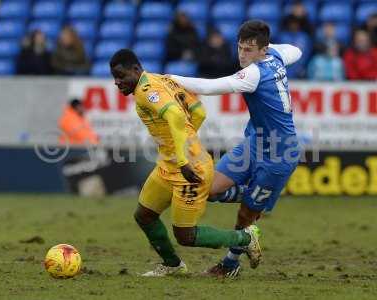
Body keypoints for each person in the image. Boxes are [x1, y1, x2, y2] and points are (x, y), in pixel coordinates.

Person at [109, 49, 261, 277]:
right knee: (144, 215)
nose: (117, 83)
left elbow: (177, 117)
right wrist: (186, 141)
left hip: (189, 168)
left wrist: (183, 158)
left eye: (121, 76)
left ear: (136, 69)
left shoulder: (144, 91)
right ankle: (173, 266)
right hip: (169, 165)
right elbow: (199, 112)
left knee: (185, 236)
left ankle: (245, 238)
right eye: (115, 78)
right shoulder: (165, 80)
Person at [170, 20, 302, 277]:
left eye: (249, 49)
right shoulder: (274, 55)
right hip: (254, 144)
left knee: (245, 217)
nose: (242, 54)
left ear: (262, 50)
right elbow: (296, 50)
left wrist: (169, 79)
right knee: (207, 189)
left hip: (280, 154)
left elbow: (208, 87)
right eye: (240, 47)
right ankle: (251, 195)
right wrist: (270, 48)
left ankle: (230, 264)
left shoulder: (253, 74)